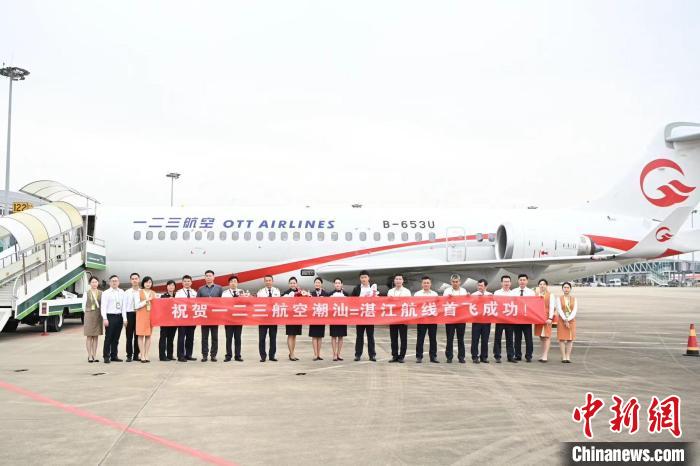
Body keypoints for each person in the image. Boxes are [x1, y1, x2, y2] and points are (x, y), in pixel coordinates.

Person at [197, 269, 223, 362]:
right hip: (204, 316)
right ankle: (204, 355)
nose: (208, 277)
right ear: (205, 277)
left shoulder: (219, 288)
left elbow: (222, 302)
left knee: (214, 337)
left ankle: (213, 355)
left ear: (213, 277)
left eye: (210, 276)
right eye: (207, 276)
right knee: (204, 337)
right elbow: (197, 302)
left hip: (215, 317)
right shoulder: (201, 289)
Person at [352, 270, 378, 362]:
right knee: (359, 336)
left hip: (370, 316)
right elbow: (352, 302)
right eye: (362, 277)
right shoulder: (356, 289)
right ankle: (358, 355)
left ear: (368, 278)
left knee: (370, 336)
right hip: (360, 316)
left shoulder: (373, 288)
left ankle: (372, 355)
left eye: (365, 277)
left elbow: (377, 302)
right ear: (360, 278)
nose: (363, 279)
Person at [443, 274, 469, 363]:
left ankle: (461, 357)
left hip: (461, 318)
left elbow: (467, 303)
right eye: (453, 282)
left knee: (460, 338)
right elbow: (443, 303)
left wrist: (469, 297)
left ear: (460, 282)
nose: (455, 283)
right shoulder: (447, 291)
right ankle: (449, 357)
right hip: (450, 318)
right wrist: (447, 298)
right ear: (451, 282)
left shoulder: (464, 291)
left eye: (457, 281)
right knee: (449, 338)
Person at [101, 275, 126, 363]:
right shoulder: (106, 293)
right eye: (112, 281)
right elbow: (103, 307)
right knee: (109, 337)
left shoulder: (122, 292)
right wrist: (105, 318)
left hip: (119, 317)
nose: (114, 282)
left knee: (116, 338)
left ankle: (114, 355)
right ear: (109, 282)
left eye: (116, 281)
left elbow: (124, 307)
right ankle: (106, 356)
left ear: (118, 282)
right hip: (110, 317)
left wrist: (124, 318)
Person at [281, 276, 307, 361]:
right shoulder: (285, 293)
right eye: (291, 283)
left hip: (298, 316)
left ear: (297, 284)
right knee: (290, 335)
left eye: (294, 283)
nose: (293, 284)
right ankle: (291, 354)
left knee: (295, 335)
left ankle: (292, 353)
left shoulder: (301, 292)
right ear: (289, 284)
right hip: (290, 317)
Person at [414, 276, 439, 363]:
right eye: (424, 283)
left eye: (428, 283)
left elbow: (438, 306)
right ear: (422, 284)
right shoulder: (417, 294)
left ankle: (433, 357)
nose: (426, 284)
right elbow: (415, 306)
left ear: (430, 284)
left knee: (433, 338)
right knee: (420, 338)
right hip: (421, 319)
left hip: (432, 319)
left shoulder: (435, 294)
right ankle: (419, 356)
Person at [222, 275, 247, 362]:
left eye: (235, 281)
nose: (233, 283)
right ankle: (228, 355)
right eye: (232, 281)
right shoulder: (225, 293)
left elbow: (245, 303)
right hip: (228, 318)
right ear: (229, 283)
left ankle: (238, 355)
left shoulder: (241, 292)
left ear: (237, 283)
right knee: (229, 338)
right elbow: (223, 304)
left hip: (239, 318)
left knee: (238, 338)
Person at [387, 273, 411, 363]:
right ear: (394, 281)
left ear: (402, 281)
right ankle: (394, 356)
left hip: (403, 317)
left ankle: (402, 356)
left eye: (400, 279)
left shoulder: (406, 291)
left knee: (403, 338)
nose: (398, 281)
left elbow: (409, 304)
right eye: (396, 279)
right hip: (393, 317)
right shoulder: (390, 291)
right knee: (393, 338)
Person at [493, 275, 517, 363]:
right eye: (504, 281)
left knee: (510, 338)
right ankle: (497, 356)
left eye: (508, 282)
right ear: (501, 283)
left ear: (510, 283)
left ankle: (510, 356)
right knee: (498, 338)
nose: (506, 283)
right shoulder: (497, 292)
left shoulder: (514, 293)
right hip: (499, 318)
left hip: (510, 319)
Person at [257, 275, 280, 362]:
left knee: (273, 338)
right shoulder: (260, 292)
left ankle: (272, 355)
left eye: (269, 280)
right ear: (264, 282)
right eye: (266, 281)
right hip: (263, 318)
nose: (268, 282)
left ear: (272, 281)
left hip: (273, 318)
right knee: (262, 338)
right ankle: (263, 356)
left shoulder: (277, 291)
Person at [513, 273, 536, 362]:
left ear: (527, 281)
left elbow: (534, 305)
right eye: (520, 280)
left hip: (527, 319)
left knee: (528, 339)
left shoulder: (531, 292)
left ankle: (529, 355)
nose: (522, 281)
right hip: (516, 319)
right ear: (518, 281)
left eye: (524, 280)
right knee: (517, 338)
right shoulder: (513, 292)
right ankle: (518, 355)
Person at [175, 275, 197, 362]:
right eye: (185, 281)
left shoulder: (194, 293)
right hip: (182, 317)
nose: (187, 283)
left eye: (188, 281)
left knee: (190, 337)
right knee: (181, 337)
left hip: (192, 318)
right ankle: (180, 355)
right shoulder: (179, 293)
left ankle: (188, 354)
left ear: (191, 282)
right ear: (182, 282)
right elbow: (176, 304)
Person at [534, 279, 556, 362]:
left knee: (547, 336)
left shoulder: (550, 295)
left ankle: (545, 355)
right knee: (541, 337)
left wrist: (550, 318)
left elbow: (551, 307)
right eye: (540, 284)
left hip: (547, 318)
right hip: (539, 318)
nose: (542, 286)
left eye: (543, 284)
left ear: (546, 285)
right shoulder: (536, 295)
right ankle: (542, 354)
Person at [470, 278, 492, 363]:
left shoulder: (490, 295)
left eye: (481, 286)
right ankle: (475, 356)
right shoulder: (473, 295)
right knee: (475, 339)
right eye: (478, 285)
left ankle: (484, 357)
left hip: (486, 320)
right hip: (476, 320)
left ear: (485, 286)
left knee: (485, 339)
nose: (480, 287)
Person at [135, 276, 155, 363]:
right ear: (143, 283)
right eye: (146, 282)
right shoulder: (138, 292)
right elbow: (136, 306)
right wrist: (147, 300)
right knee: (140, 335)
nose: (148, 284)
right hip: (141, 316)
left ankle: (146, 354)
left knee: (148, 335)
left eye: (150, 282)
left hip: (150, 316)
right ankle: (142, 354)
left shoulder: (154, 293)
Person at [82, 276, 102, 363]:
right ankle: (89, 355)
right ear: (90, 283)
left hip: (98, 316)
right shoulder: (86, 293)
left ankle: (94, 355)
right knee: (89, 336)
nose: (94, 283)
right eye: (93, 282)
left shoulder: (101, 293)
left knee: (96, 336)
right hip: (89, 316)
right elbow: (83, 306)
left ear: (98, 283)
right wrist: (88, 312)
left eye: (96, 282)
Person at [556, 282, 577, 363]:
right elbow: (559, 310)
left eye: (568, 287)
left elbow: (574, 310)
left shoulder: (574, 299)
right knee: (561, 339)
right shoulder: (559, 298)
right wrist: (565, 319)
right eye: (564, 287)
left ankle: (568, 356)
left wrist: (568, 319)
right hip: (562, 320)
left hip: (571, 321)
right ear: (562, 289)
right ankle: (563, 356)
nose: (566, 289)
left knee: (570, 339)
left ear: (570, 289)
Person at [329, 278, 348, 361]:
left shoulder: (346, 294)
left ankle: (339, 354)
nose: (337, 284)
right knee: (333, 336)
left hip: (342, 317)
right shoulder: (330, 294)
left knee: (341, 336)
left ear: (342, 284)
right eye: (336, 283)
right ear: (334, 284)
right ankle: (334, 354)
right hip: (333, 318)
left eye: (339, 283)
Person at [309, 277, 328, 361]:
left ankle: (319, 354)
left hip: (321, 317)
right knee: (314, 336)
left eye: (318, 282)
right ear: (314, 284)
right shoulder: (311, 294)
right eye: (316, 282)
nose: (317, 284)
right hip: (313, 317)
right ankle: (315, 354)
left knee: (320, 336)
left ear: (321, 284)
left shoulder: (325, 293)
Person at [158, 280, 177, 361]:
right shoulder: (163, 296)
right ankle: (162, 356)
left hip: (174, 320)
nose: (171, 287)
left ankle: (170, 355)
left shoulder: (177, 296)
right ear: (167, 287)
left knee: (171, 338)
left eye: (173, 285)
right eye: (169, 285)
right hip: (164, 321)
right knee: (163, 338)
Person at [123, 272, 141, 362]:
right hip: (129, 314)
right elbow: (124, 307)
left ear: (139, 280)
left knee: (138, 336)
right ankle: (129, 355)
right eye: (133, 279)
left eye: (136, 278)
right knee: (129, 336)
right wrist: (125, 319)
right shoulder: (127, 292)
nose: (134, 280)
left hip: (139, 314)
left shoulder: (142, 292)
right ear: (130, 280)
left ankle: (136, 355)